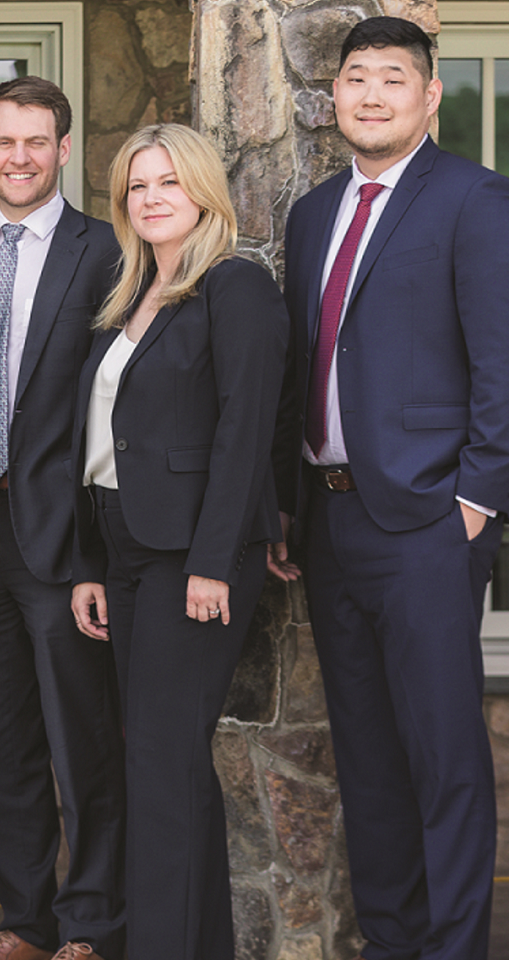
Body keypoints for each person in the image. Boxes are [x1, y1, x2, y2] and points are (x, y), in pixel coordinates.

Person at [271, 17, 509, 960]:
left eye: (393, 79)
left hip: (427, 523)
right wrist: (286, 503)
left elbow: (502, 362)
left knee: (443, 759)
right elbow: (303, 369)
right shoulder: (312, 214)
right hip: (329, 521)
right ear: (335, 95)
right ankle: (392, 942)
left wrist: (475, 499)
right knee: (366, 760)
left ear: (431, 92)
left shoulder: (476, 200)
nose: (371, 95)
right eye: (356, 78)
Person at [68, 123, 286, 960]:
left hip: (191, 555)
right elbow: (102, 440)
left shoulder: (236, 289)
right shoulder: (130, 292)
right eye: (136, 186)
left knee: (161, 764)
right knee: (159, 762)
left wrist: (209, 562)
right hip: (122, 547)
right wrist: (90, 562)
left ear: (202, 191)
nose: (151, 198)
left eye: (168, 182)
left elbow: (244, 432)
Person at [0, 77, 125, 960]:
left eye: (36, 142)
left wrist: (95, 553)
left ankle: (90, 924)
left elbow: (118, 406)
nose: (18, 157)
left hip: (65, 537)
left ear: (62, 149)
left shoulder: (109, 251)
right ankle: (25, 918)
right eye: (3, 142)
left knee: (82, 741)